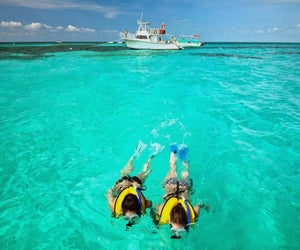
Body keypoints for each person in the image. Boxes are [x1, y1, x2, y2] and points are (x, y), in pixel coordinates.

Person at [153, 144, 209, 238]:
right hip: (171, 187)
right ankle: (175, 152)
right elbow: (199, 204)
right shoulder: (192, 215)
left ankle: (178, 154)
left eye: (173, 229)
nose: (176, 233)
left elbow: (199, 204)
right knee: (173, 170)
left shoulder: (194, 215)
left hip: (183, 188)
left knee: (184, 173)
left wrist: (205, 206)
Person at [107, 140, 164, 227]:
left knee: (145, 172)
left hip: (128, 182)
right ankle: (134, 157)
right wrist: (115, 188)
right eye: (126, 218)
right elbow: (109, 192)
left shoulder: (114, 205)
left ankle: (150, 156)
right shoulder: (113, 205)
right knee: (142, 172)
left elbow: (151, 204)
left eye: (134, 217)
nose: (130, 221)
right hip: (125, 183)